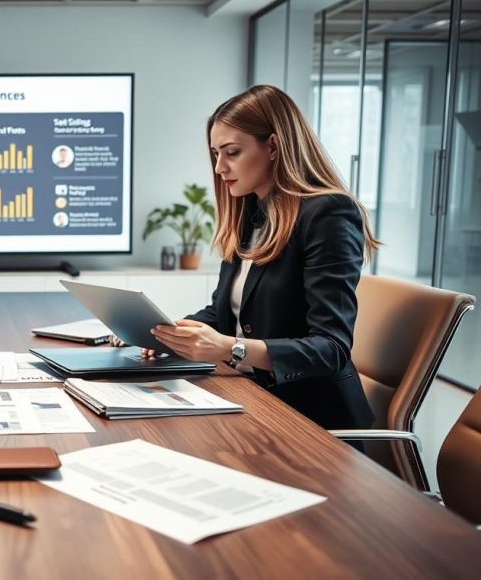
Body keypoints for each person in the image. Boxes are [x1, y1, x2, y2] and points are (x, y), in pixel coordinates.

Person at [117, 85, 380, 430]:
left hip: (310, 419)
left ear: (273, 146)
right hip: (250, 397)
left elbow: (330, 349)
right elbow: (223, 313)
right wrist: (166, 331)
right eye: (215, 153)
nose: (219, 167)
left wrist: (230, 348)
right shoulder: (250, 212)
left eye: (232, 152)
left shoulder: (327, 214)